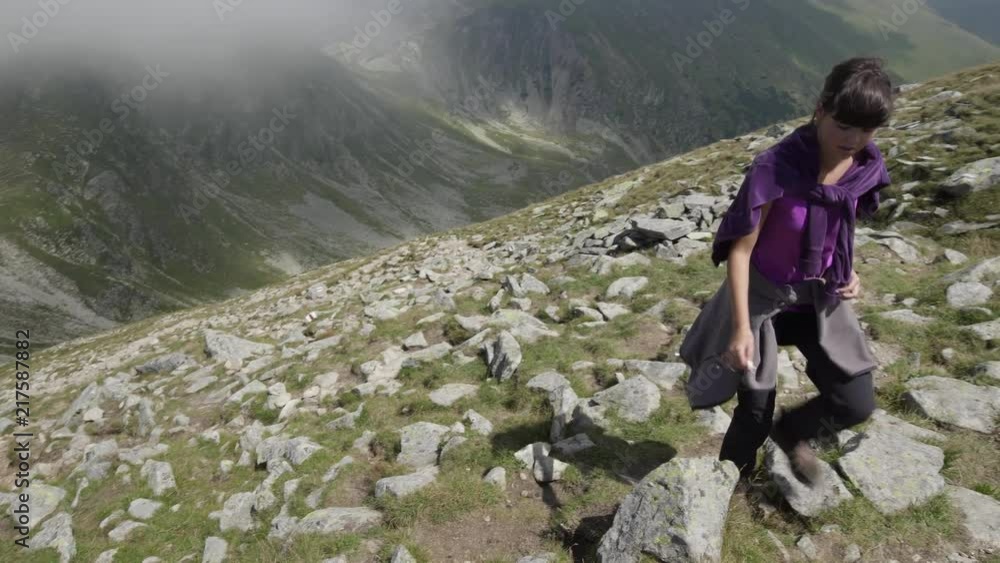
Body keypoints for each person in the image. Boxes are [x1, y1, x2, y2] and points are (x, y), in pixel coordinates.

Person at [709, 57, 894, 485]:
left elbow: (838, 227)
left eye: (866, 130)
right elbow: (740, 250)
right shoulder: (776, 167)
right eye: (843, 126)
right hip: (762, 299)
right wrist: (740, 328)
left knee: (856, 401)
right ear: (820, 109)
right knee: (755, 410)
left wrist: (848, 270)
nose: (853, 139)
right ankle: (726, 487)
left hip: (817, 298)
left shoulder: (864, 167)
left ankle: (792, 431)